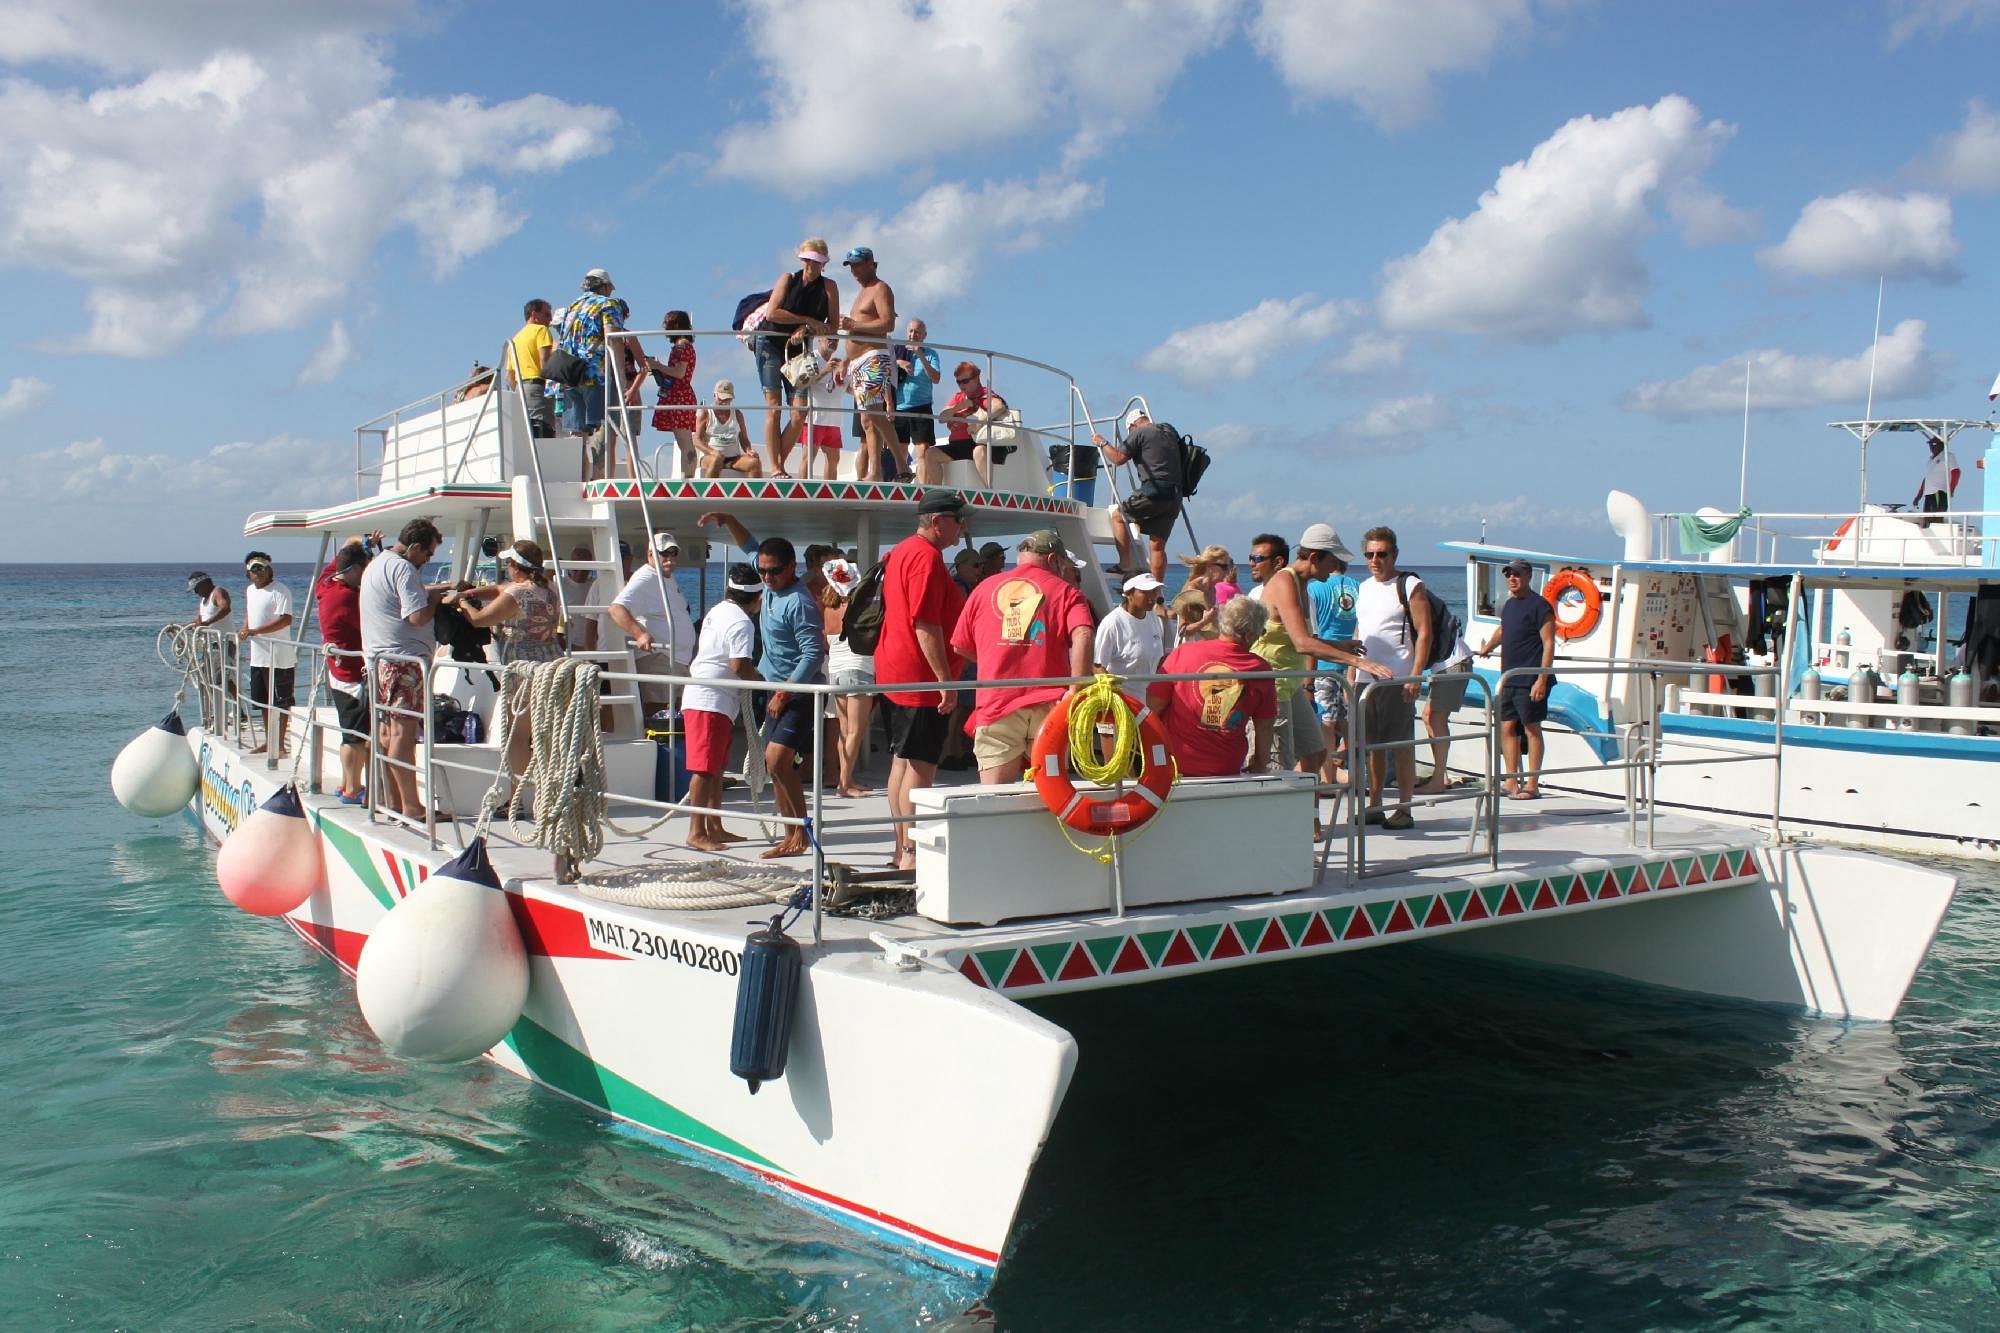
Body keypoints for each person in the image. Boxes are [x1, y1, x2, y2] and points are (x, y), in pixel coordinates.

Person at [950, 530, 1095, 784]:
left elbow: (960, 646)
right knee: (1049, 793)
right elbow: (1083, 634)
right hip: (1050, 703)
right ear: (1053, 560)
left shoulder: (984, 588)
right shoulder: (1067, 592)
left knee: (995, 796)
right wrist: (1076, 689)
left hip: (997, 700)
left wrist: (995, 659)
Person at [877, 490, 970, 869]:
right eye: (958, 520)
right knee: (920, 767)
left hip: (894, 672)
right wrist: (944, 681)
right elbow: (925, 624)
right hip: (917, 679)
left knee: (902, 763)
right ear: (937, 522)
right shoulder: (926, 558)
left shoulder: (900, 551)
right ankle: (911, 855)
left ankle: (902, 848)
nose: (962, 528)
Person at [1246, 527, 1384, 781]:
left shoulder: (1303, 585)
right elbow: (1302, 644)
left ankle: (1309, 816)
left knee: (1315, 753)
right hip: (1271, 684)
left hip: (1291, 682)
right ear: (1314, 558)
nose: (1334, 569)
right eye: (1332, 561)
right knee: (1279, 766)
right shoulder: (1284, 581)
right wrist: (1357, 661)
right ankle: (1287, 818)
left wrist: (1342, 646)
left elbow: (1305, 637)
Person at [360, 517, 457, 819]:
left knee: (388, 735)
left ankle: (393, 802)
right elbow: (416, 617)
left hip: (379, 661)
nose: (427, 561)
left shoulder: (378, 563)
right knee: (403, 736)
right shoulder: (403, 568)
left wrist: (433, 589)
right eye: (427, 554)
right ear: (414, 547)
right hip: (403, 663)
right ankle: (413, 807)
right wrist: (438, 600)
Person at [447, 540, 561, 788]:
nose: (508, 568)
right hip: (550, 662)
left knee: (518, 734)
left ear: (516, 567)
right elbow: (501, 590)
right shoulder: (549, 589)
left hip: (523, 668)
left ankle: (517, 798)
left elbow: (479, 620)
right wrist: (472, 592)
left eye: (509, 564)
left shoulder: (517, 594)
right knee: (545, 731)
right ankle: (548, 791)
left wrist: (461, 601)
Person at [753, 536, 826, 859]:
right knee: (775, 764)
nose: (767, 577)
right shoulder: (770, 587)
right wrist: (729, 521)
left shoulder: (800, 602)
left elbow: (812, 655)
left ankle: (801, 833)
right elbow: (748, 546)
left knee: (780, 760)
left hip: (797, 692)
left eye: (775, 571)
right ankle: (790, 833)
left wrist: (784, 693)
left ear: (791, 567)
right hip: (775, 690)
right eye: (762, 571)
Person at [1147, 596, 1277, 777]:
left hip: (1174, 763)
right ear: (1248, 636)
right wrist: (1260, 764)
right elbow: (1264, 726)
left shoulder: (1184, 653)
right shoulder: (1261, 670)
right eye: (1260, 632)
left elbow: (1153, 708)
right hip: (1225, 766)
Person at [682, 563, 764, 850]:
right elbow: (739, 665)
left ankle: (714, 827)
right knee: (705, 768)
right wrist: (762, 680)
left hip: (711, 697)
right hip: (710, 700)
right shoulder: (742, 622)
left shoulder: (716, 611)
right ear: (756, 598)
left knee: (715, 767)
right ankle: (696, 831)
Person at [1352, 526, 1427, 829]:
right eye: (1369, 554)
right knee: (1371, 745)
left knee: (1400, 745)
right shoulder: (1364, 587)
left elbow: (1424, 634)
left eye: (1381, 554)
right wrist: (1351, 673)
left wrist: (1415, 675)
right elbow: (1360, 632)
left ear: (1394, 554)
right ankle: (1375, 803)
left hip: (1398, 679)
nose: (1375, 559)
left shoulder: (1410, 585)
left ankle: (1405, 808)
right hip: (1364, 679)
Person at [753, 239, 839, 479]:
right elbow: (773, 313)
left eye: (817, 261)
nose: (812, 265)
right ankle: (777, 467)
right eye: (808, 260)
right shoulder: (788, 279)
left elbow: (832, 325)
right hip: (770, 343)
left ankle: (777, 464)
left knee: (799, 412)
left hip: (799, 350)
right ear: (802, 260)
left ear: (824, 263)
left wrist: (808, 329)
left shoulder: (829, 287)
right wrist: (807, 321)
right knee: (774, 405)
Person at [1477, 559, 1557, 799]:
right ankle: (1512, 780)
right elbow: (1503, 630)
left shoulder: (1540, 606)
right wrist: (1488, 647)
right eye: (1509, 575)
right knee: (1507, 727)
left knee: (1532, 729)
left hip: (1530, 677)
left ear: (1528, 576)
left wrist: (1541, 679)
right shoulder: (1509, 605)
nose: (1512, 578)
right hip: (1508, 678)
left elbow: (1549, 643)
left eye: (1517, 574)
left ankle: (1532, 783)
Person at [607, 532, 699, 724]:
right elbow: (616, 609)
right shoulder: (645, 577)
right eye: (664, 553)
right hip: (659, 658)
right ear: (650, 554)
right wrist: (639, 634)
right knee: (660, 717)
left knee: (676, 717)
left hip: (676, 660)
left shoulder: (666, 577)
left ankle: (672, 753)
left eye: (674, 553)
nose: (670, 558)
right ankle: (660, 751)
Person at [556, 268, 635, 479]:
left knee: (577, 434)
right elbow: (613, 339)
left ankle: (580, 481)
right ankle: (600, 479)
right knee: (604, 427)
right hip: (594, 373)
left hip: (569, 374)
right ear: (604, 286)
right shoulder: (608, 304)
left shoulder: (573, 306)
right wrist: (621, 377)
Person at [1092, 407, 1182, 583]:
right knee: (1157, 546)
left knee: (1118, 516)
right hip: (1175, 496)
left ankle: (1124, 565)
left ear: (1133, 425)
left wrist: (1101, 442)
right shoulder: (1169, 431)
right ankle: (1156, 593)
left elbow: (1118, 458)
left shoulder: (1139, 432)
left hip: (1154, 491)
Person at [314, 539, 372, 803]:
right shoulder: (348, 598)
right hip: (350, 675)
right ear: (352, 569)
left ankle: (346, 783)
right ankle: (352, 788)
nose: (365, 573)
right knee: (355, 736)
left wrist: (362, 543)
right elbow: (370, 626)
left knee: (348, 732)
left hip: (335, 671)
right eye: (363, 568)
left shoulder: (326, 586)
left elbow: (332, 566)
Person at [836, 247, 897, 483]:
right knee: (866, 420)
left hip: (873, 357)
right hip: (858, 361)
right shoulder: (862, 292)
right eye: (851, 265)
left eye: (858, 264)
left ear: (872, 263)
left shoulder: (880, 288)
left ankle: (883, 469)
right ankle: (876, 470)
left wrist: (853, 325)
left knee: (873, 415)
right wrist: (847, 359)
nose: (854, 270)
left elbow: (887, 324)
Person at [821, 557, 876, 797]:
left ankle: (846, 777)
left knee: (844, 729)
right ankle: (844, 784)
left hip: (836, 671)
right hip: (858, 669)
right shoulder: (857, 607)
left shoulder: (829, 609)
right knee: (855, 730)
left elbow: (826, 641)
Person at [1307, 546, 1361, 782]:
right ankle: (1356, 773)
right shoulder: (1358, 587)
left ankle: (1327, 776)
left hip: (1325, 661)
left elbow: (1313, 630)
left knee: (1326, 721)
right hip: (1353, 660)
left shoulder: (1314, 587)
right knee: (1350, 719)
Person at [238, 552, 298, 756]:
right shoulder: (249, 590)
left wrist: (257, 631)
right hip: (258, 655)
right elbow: (250, 612)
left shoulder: (280, 591)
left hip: (279, 657)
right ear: (248, 573)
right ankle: (269, 741)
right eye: (253, 569)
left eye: (261, 568)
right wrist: (246, 628)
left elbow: (286, 619)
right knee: (264, 701)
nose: (258, 573)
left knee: (281, 702)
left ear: (269, 569)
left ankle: (280, 744)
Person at [1417, 604, 1476, 796]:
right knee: (1429, 716)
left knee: (1436, 718)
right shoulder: (1428, 606)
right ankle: (1440, 775)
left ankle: (1439, 779)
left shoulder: (1420, 607)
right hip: (1450, 663)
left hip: (1452, 663)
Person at [939, 362, 1006, 489]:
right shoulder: (958, 398)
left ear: (976, 379)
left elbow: (998, 406)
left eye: (965, 381)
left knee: (979, 451)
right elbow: (941, 418)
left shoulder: (983, 395)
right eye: (958, 382)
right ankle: (934, 498)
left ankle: (990, 490)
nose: (961, 385)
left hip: (975, 443)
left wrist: (979, 423)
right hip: (957, 446)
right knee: (930, 453)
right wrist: (959, 406)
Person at [647, 310, 698, 477]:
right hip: (682, 395)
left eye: (667, 324)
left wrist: (657, 366)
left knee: (684, 442)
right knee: (685, 442)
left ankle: (688, 477)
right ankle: (688, 475)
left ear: (676, 326)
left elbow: (679, 373)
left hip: (680, 396)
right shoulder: (685, 346)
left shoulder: (681, 346)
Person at [893, 318, 941, 482]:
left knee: (923, 450)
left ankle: (922, 489)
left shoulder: (931, 354)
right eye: (911, 331)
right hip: (899, 406)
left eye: (917, 332)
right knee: (900, 450)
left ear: (924, 335)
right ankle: (901, 486)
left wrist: (920, 355)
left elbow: (936, 378)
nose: (913, 335)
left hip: (922, 406)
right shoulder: (897, 351)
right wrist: (900, 362)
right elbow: (885, 367)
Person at [1095, 573, 1166, 678]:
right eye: (1145, 592)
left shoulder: (1154, 617)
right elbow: (1098, 666)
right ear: (1128, 594)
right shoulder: (1112, 623)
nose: (1152, 597)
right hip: (1122, 692)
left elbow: (1158, 659)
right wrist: (1114, 691)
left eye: (1154, 591)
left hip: (1150, 692)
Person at [694, 380, 761, 477]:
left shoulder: (737, 414)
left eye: (727, 399)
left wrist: (749, 450)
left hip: (734, 459)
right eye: (721, 398)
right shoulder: (705, 413)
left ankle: (756, 492)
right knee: (716, 460)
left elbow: (744, 438)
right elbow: (696, 440)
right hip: (710, 457)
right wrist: (712, 452)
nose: (724, 402)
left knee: (755, 463)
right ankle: (710, 491)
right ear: (715, 395)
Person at [509, 299, 555, 437]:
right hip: (538, 387)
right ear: (535, 315)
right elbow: (544, 361)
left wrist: (520, 391)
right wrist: (551, 389)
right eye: (547, 315)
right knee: (543, 430)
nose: (551, 319)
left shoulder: (515, 339)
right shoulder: (541, 330)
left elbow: (509, 376)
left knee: (527, 432)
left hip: (520, 390)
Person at [1914, 432, 1961, 515]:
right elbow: (1927, 478)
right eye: (1930, 444)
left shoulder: (1948, 456)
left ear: (1941, 445)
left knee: (1936, 518)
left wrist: (1951, 489)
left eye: (1934, 444)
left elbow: (1956, 472)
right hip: (1928, 494)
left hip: (1939, 492)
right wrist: (1919, 496)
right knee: (1927, 519)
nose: (1931, 446)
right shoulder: (1930, 460)